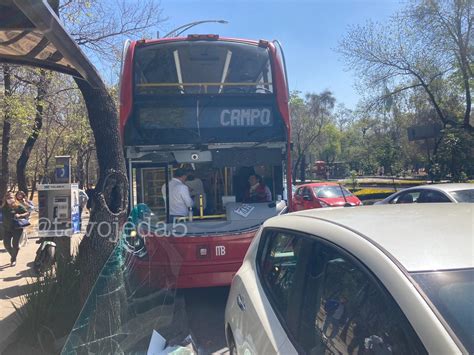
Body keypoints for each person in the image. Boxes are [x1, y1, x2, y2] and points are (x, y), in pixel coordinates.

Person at [2, 192, 29, 267]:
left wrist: (20, 215)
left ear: (14, 198)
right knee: (6, 244)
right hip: (7, 228)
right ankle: (13, 256)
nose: (9, 199)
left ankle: (13, 260)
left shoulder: (18, 206)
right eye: (8, 198)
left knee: (15, 245)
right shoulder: (4, 207)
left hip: (17, 228)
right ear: (5, 199)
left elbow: (27, 212)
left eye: (11, 198)